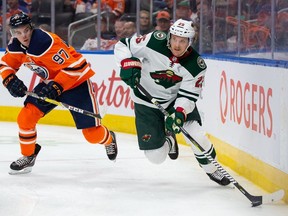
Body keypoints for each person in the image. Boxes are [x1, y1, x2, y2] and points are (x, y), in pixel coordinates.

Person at [114, 18, 230, 186]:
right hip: (145, 102)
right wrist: (127, 63)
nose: (177, 44)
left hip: (174, 101)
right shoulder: (154, 41)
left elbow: (189, 95)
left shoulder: (196, 65)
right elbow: (123, 45)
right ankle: (169, 140)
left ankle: (212, 169)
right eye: (174, 38)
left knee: (198, 136)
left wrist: (179, 112)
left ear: (190, 42)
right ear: (169, 36)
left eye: (182, 41)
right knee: (155, 157)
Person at [0, 12, 118, 175]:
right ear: (11, 33)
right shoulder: (15, 46)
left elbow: (77, 66)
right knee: (25, 118)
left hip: (76, 83)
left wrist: (58, 86)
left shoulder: (45, 42)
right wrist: (9, 80)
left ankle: (109, 138)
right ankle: (28, 155)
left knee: (92, 135)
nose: (23, 35)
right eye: (17, 32)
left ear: (31, 28)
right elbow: (5, 65)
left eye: (26, 30)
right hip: (51, 83)